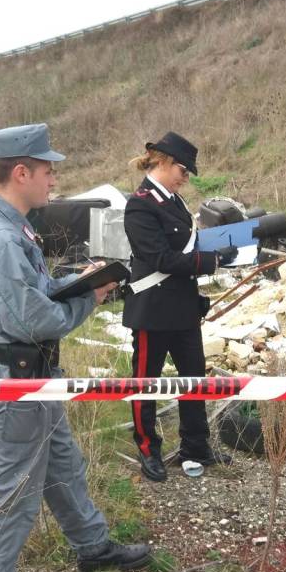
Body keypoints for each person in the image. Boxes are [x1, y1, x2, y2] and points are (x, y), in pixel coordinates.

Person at [0, 123, 151, 572]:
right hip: (17, 378)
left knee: (63, 467)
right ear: (20, 172)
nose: (53, 178)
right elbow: (32, 320)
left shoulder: (14, 225)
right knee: (14, 496)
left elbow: (36, 290)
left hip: (35, 376)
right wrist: (89, 299)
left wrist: (80, 279)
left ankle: (93, 547)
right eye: (47, 170)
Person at [122, 131, 238, 482]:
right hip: (153, 310)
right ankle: (148, 449)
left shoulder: (173, 201)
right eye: (184, 171)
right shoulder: (140, 203)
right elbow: (160, 258)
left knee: (194, 380)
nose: (186, 178)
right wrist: (210, 262)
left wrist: (227, 248)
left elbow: (188, 245)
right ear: (165, 162)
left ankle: (196, 445)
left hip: (183, 309)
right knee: (146, 383)